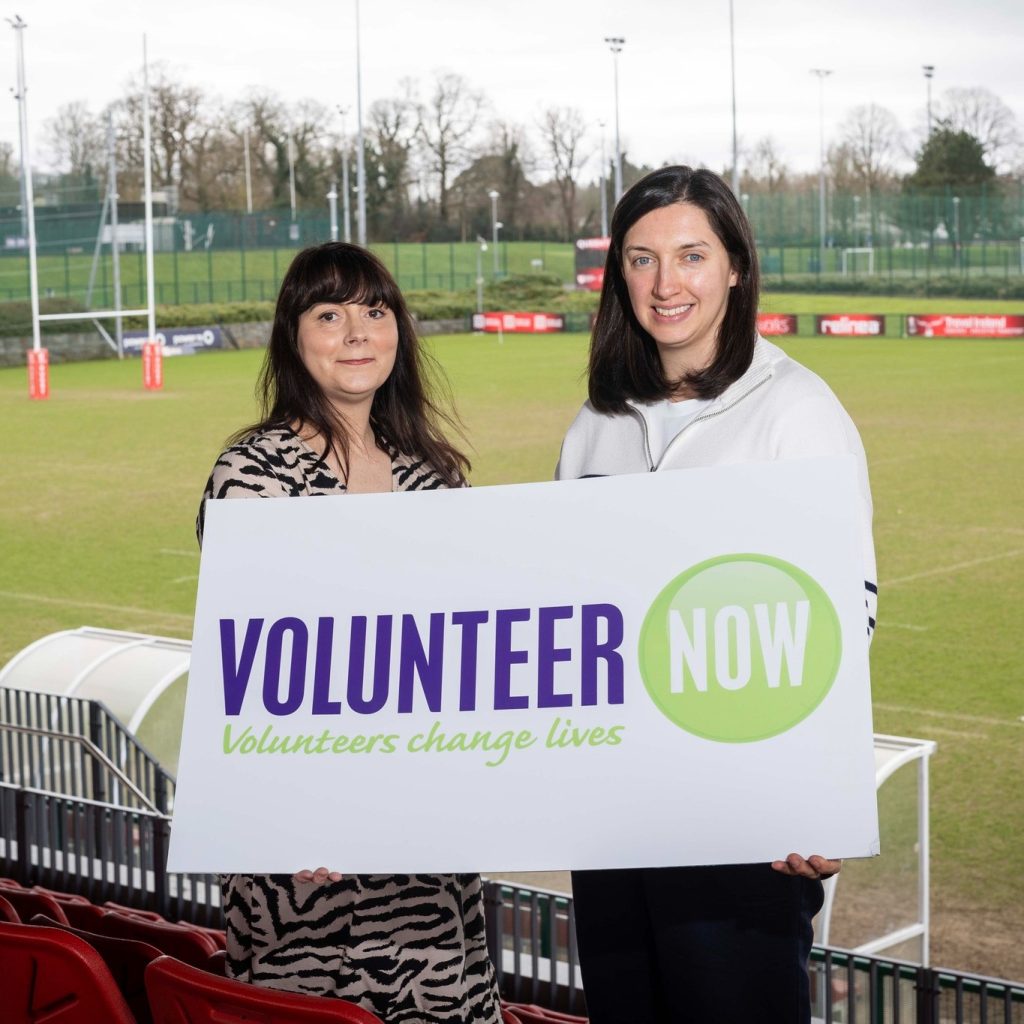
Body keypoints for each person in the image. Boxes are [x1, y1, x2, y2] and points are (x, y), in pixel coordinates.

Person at [556, 166, 877, 1024]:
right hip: (617, 819)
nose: (666, 284)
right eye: (642, 259)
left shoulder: (796, 410)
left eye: (692, 256)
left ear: (735, 266)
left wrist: (816, 791)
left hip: (741, 819)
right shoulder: (595, 425)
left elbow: (846, 611)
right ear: (618, 275)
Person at [197, 242, 502, 1024]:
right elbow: (253, 670)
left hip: (427, 863)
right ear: (293, 337)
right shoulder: (254, 475)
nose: (358, 332)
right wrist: (293, 811)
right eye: (329, 314)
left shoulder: (435, 476)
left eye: (374, 310)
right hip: (309, 864)